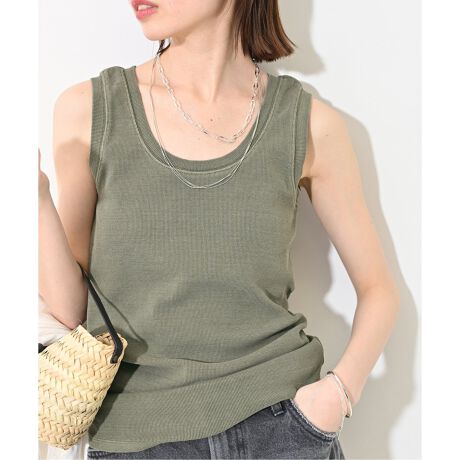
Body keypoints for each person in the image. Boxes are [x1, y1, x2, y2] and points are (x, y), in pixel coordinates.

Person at [38, 0, 401, 458]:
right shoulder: (90, 110)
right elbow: (73, 312)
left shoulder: (307, 123)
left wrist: (337, 395)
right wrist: (35, 196)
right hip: (139, 439)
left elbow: (378, 289)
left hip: (283, 428)